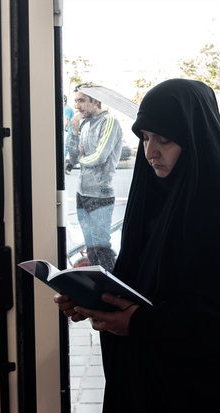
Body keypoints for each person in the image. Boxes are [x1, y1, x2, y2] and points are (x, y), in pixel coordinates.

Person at [56, 79, 220, 412]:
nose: (150, 152)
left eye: (164, 140)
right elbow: (145, 282)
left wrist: (138, 323)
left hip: (207, 396)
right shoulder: (153, 197)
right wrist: (93, 296)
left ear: (196, 138)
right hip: (148, 383)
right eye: (145, 138)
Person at [65, 84, 123, 272]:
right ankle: (96, 286)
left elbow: (100, 156)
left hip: (100, 194)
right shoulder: (84, 124)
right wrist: (74, 132)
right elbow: (73, 157)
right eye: (76, 101)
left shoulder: (109, 122)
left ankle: (111, 285)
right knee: (90, 245)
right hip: (82, 193)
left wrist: (80, 158)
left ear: (95, 101)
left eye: (81, 100)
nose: (77, 105)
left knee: (101, 245)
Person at [63, 94, 75, 160]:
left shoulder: (67, 109)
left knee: (67, 145)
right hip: (71, 129)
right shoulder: (66, 108)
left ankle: (62, 159)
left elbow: (66, 121)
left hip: (72, 129)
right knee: (70, 146)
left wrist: (63, 129)